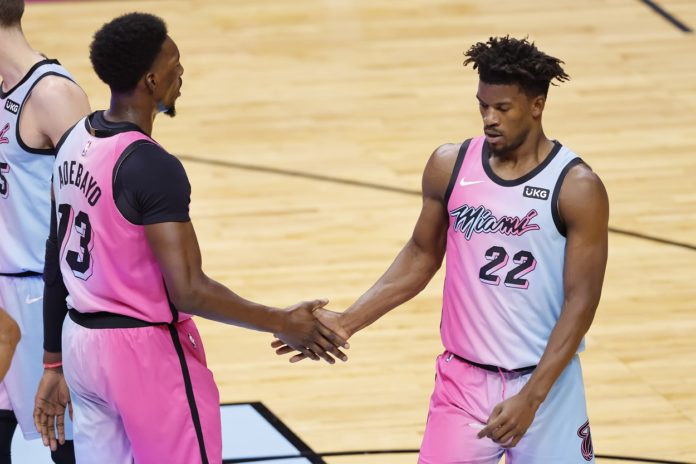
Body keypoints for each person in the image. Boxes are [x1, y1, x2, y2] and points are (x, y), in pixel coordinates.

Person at [274, 36, 609, 463]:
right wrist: (347, 322)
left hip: (547, 385)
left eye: (502, 108)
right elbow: (421, 254)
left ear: (537, 105)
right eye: (482, 106)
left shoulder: (577, 187)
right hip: (464, 382)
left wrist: (532, 397)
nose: (489, 118)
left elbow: (582, 302)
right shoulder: (451, 165)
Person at [34, 12, 348, 464]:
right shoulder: (149, 165)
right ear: (151, 79)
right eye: (175, 63)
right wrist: (283, 321)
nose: (182, 73)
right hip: (143, 352)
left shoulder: (72, 141)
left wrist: (52, 361)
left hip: (82, 344)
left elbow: (54, 257)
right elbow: (190, 290)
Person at [0, 0, 90, 462]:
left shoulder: (52, 94)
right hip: (2, 303)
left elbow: (94, 205)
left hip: (43, 297)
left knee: (67, 448)